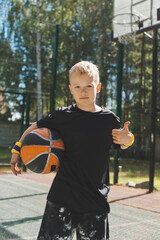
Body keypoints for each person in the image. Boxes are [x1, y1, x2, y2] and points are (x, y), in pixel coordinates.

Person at [10, 61, 134, 240]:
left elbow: (124, 141)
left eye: (88, 86)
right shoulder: (62, 116)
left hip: (95, 200)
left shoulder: (109, 120)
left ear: (98, 87)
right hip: (62, 198)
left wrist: (128, 139)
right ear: (71, 89)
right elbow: (34, 127)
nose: (83, 91)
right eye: (77, 86)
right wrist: (17, 149)